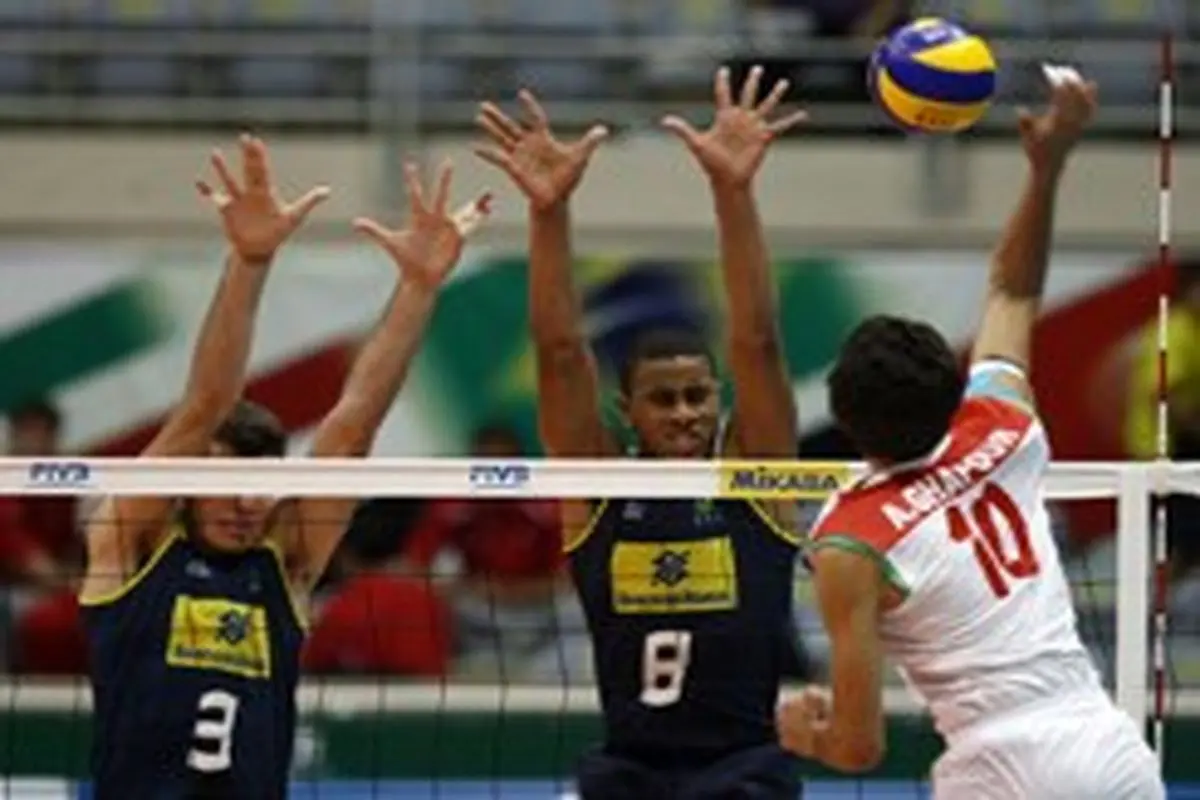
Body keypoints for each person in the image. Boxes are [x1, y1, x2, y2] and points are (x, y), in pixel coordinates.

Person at [777, 69, 1165, 798]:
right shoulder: (1003, 428)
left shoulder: (850, 539)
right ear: (951, 392)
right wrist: (1048, 166)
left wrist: (803, 734)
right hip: (1105, 742)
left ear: (845, 419)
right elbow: (1014, 289)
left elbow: (857, 748)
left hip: (1000, 762)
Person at [78, 135, 490, 800]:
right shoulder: (133, 541)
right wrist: (250, 262)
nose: (247, 503)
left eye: (261, 487)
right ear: (189, 482)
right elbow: (204, 407)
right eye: (227, 484)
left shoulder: (286, 559)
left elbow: (351, 431)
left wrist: (418, 288)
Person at [476, 66, 808, 799]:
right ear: (628, 411)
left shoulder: (756, 481)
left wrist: (733, 191)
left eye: (698, 395)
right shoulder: (597, 490)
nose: (685, 412)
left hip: (744, 770)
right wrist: (549, 212)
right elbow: (560, 351)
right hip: (630, 772)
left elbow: (756, 341)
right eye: (663, 400)